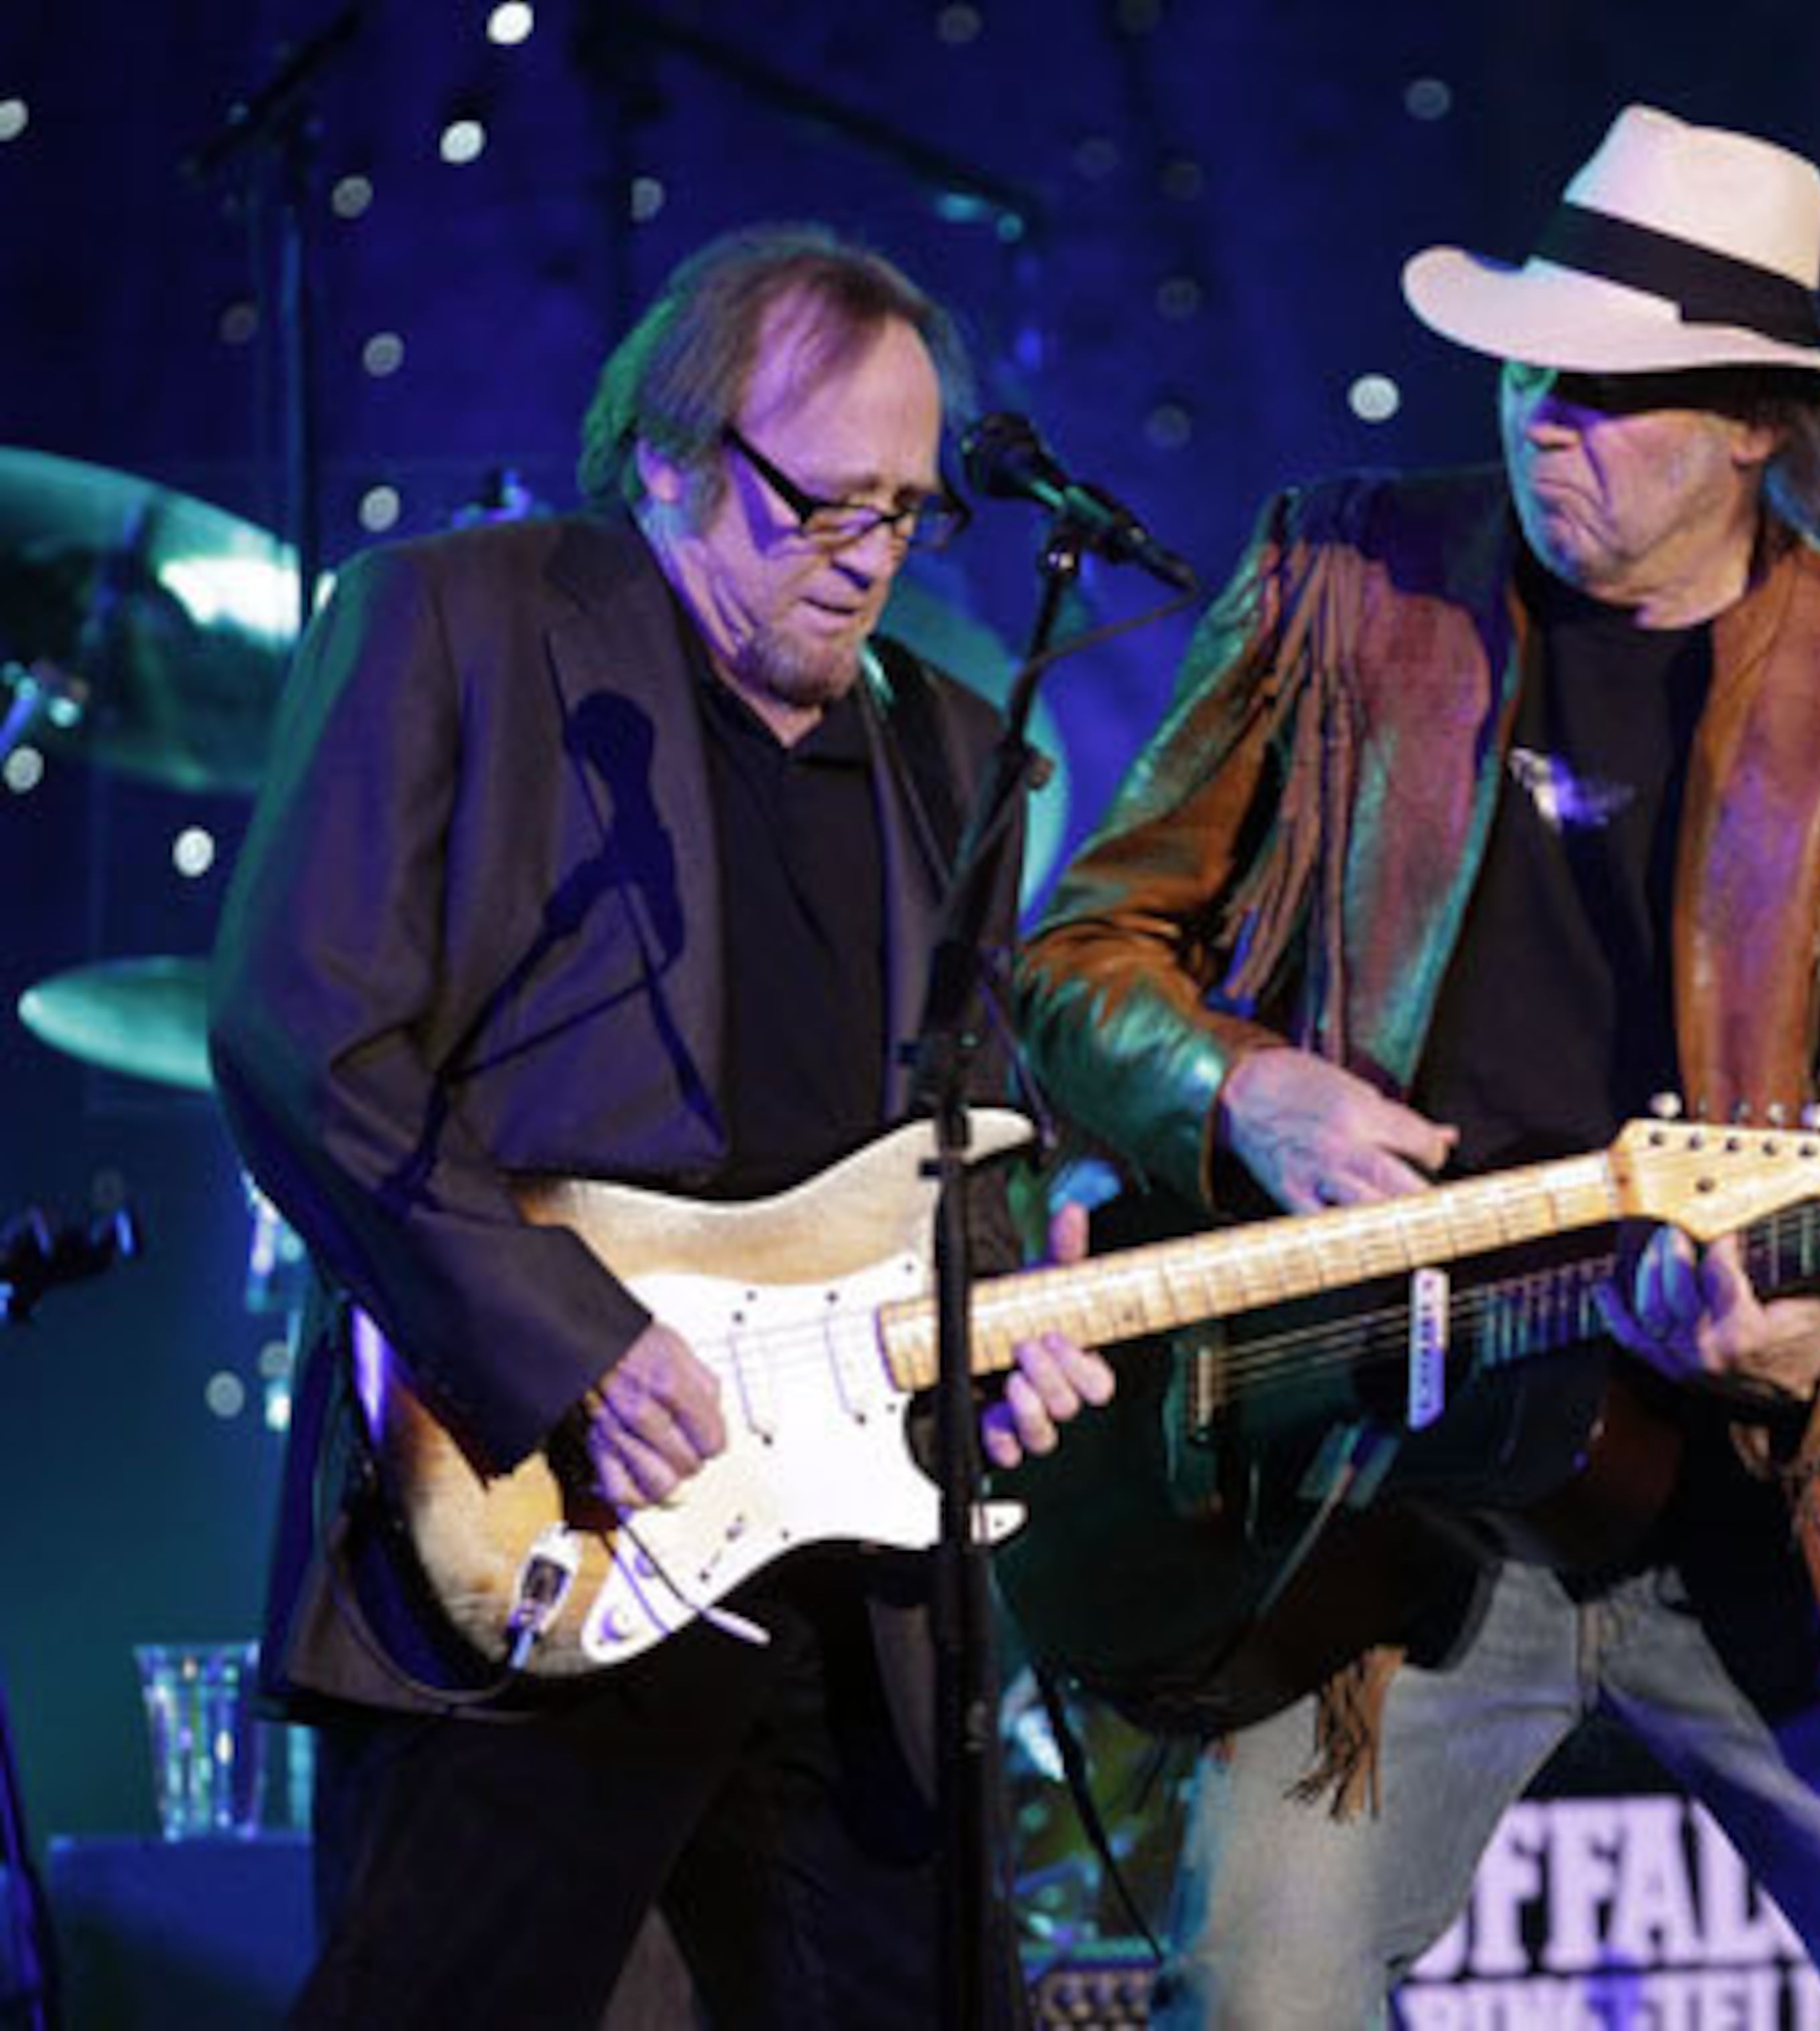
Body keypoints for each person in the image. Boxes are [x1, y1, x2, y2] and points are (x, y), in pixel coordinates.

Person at [1015, 108, 1820, 2025]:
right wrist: (1241, 1088)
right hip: (1389, 1480)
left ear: (1760, 420)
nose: (1545, 418)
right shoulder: (1345, 587)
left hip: (1760, 1511)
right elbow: (1078, 955)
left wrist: (1806, 1339)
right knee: (1256, 1987)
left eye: (1610, 393)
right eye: (1533, 366)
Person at [210, 223, 1111, 2026]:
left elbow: (958, 1133)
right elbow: (302, 1032)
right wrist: (570, 1346)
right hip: (535, 1536)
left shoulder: (953, 752)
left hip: (853, 1592)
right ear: (670, 455)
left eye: (911, 510)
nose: (867, 556)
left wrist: (1002, 1317)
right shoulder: (456, 621)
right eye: (820, 500)